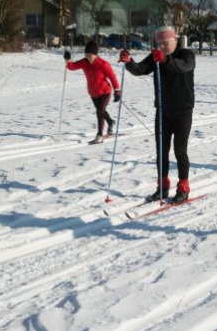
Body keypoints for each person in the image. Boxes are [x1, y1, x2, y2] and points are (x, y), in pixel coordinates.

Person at [119, 26, 195, 203]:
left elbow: (183, 67)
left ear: (174, 40)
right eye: (159, 43)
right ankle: (163, 186)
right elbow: (140, 69)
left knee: (180, 150)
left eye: (165, 43)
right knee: (161, 150)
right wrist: (129, 62)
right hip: (163, 109)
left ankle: (183, 187)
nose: (162, 46)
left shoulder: (186, 55)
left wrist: (165, 60)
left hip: (183, 109)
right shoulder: (156, 55)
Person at [64, 40, 121, 144]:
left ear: (95, 54)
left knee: (100, 112)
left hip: (105, 92)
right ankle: (111, 122)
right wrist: (68, 59)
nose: (88, 57)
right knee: (101, 111)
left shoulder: (103, 64)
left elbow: (112, 77)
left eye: (90, 55)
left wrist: (117, 91)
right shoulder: (84, 62)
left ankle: (99, 135)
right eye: (86, 55)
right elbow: (71, 67)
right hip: (93, 93)